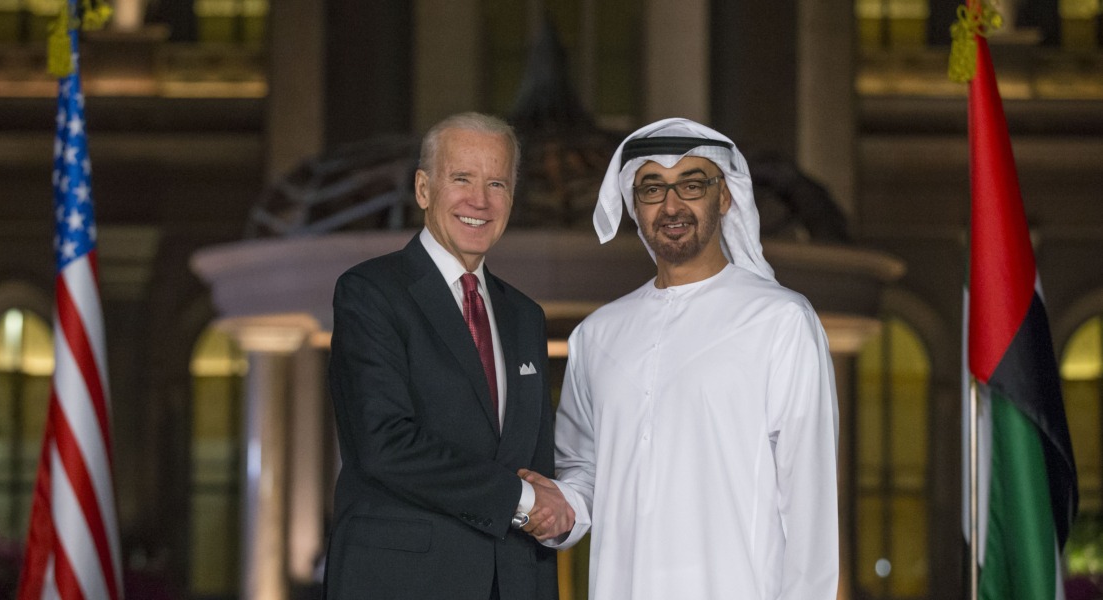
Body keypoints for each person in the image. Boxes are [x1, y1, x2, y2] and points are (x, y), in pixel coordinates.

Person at [524, 118, 839, 599]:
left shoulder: (780, 321)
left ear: (724, 196)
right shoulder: (597, 335)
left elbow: (809, 497)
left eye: (692, 185)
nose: (672, 206)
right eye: (652, 189)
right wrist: (554, 505)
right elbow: (584, 471)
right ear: (634, 205)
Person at [323, 112, 571, 599]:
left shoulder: (525, 316)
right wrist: (522, 500)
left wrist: (553, 517)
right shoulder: (370, 292)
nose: (480, 201)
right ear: (423, 189)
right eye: (462, 179)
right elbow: (384, 444)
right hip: (402, 584)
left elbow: (537, 463)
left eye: (497, 184)